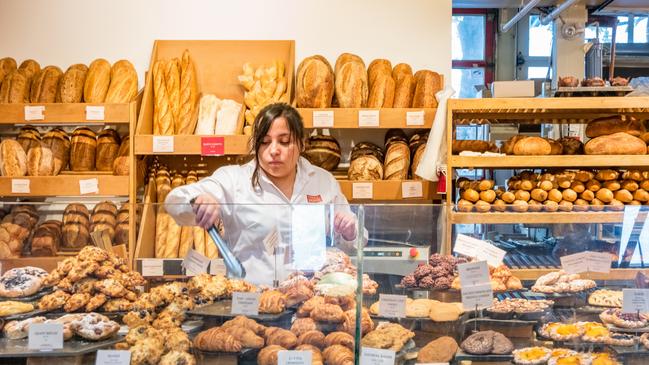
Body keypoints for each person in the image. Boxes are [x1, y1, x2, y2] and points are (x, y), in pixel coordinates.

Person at [165, 103, 364, 284]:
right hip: (254, 305)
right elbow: (173, 201)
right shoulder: (234, 180)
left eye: (284, 142)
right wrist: (198, 201)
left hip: (309, 303)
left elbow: (357, 241)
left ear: (302, 144)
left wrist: (350, 231)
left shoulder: (322, 181)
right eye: (265, 142)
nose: (274, 150)